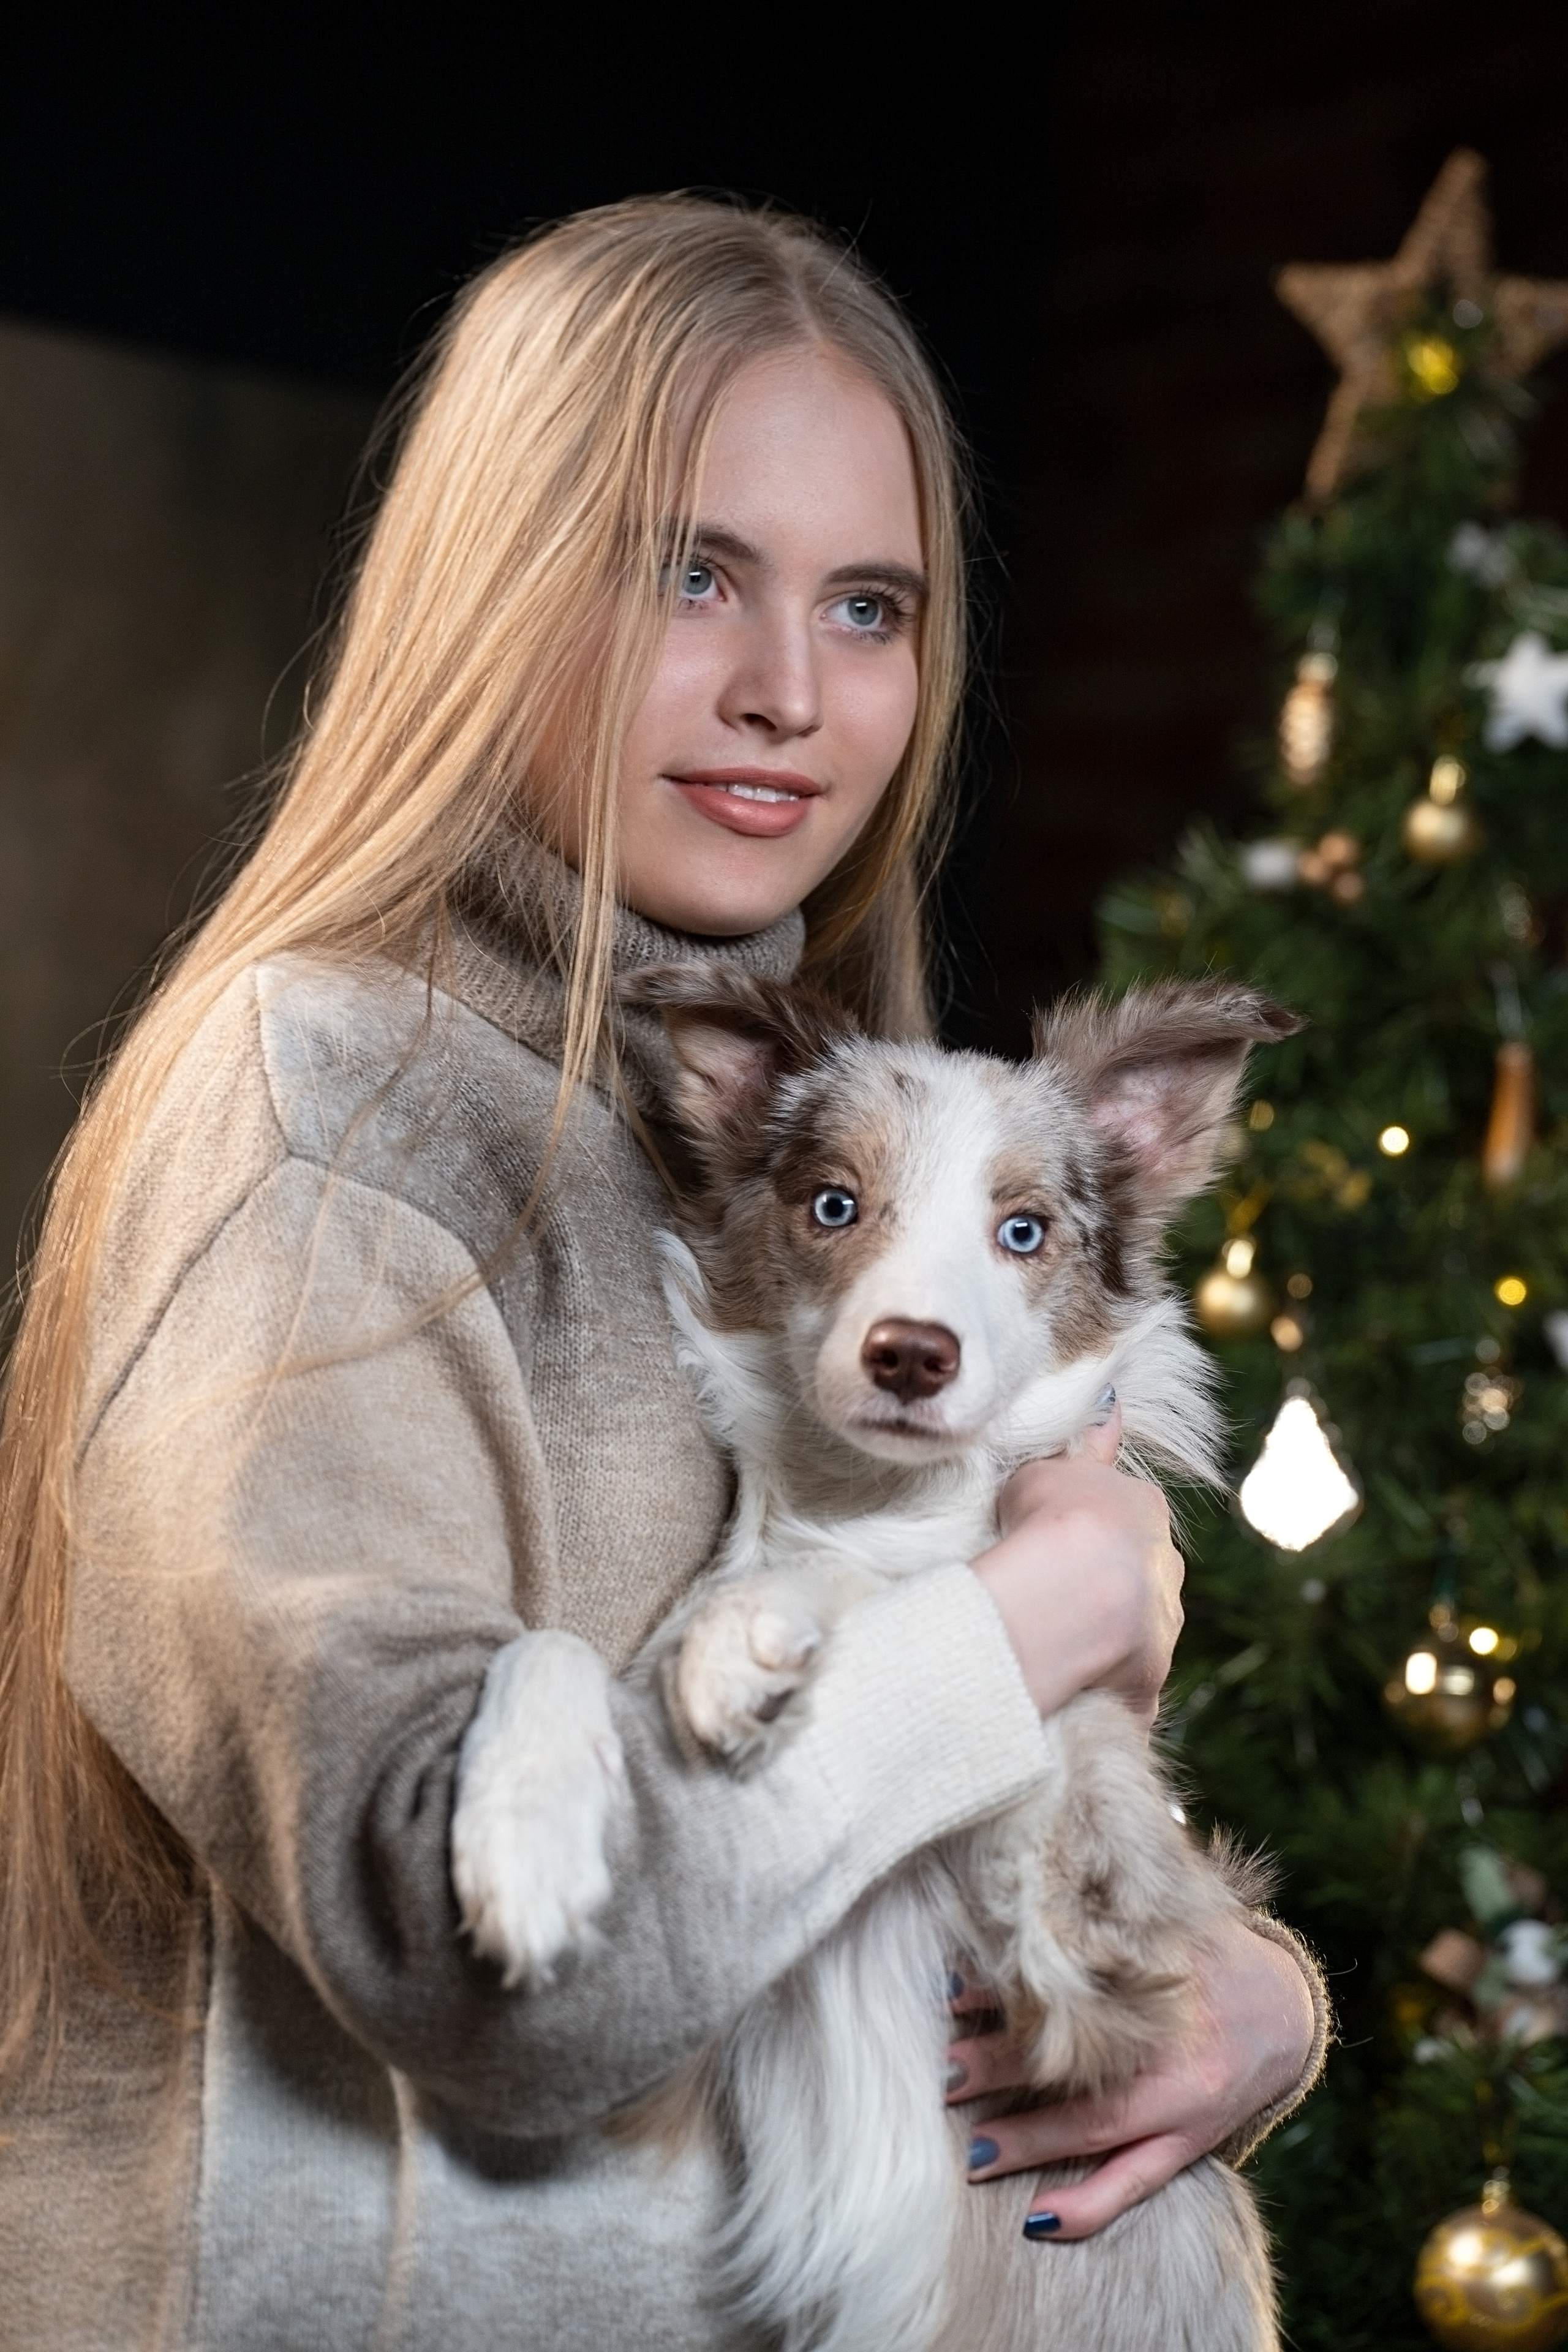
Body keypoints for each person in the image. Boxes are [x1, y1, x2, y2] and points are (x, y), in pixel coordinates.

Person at [0, 197, 1327, 2350]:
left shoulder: (800, 1140)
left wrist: (1246, 2001)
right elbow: (481, 1956)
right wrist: (1037, 1616)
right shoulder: (322, 1114)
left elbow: (876, 1853)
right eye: (686, 570)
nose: (789, 693)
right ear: (493, 588)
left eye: (869, 604)